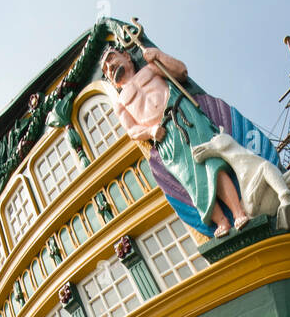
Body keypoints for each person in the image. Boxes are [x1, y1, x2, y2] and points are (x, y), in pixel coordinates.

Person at [101, 46, 250, 237]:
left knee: (212, 163)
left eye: (111, 58)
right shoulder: (120, 103)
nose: (110, 66)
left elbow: (181, 71)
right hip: (163, 135)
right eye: (105, 68)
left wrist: (158, 55)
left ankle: (238, 212)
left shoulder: (150, 68)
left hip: (183, 115)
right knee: (191, 178)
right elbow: (132, 130)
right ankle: (221, 221)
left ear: (127, 56)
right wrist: (150, 130)